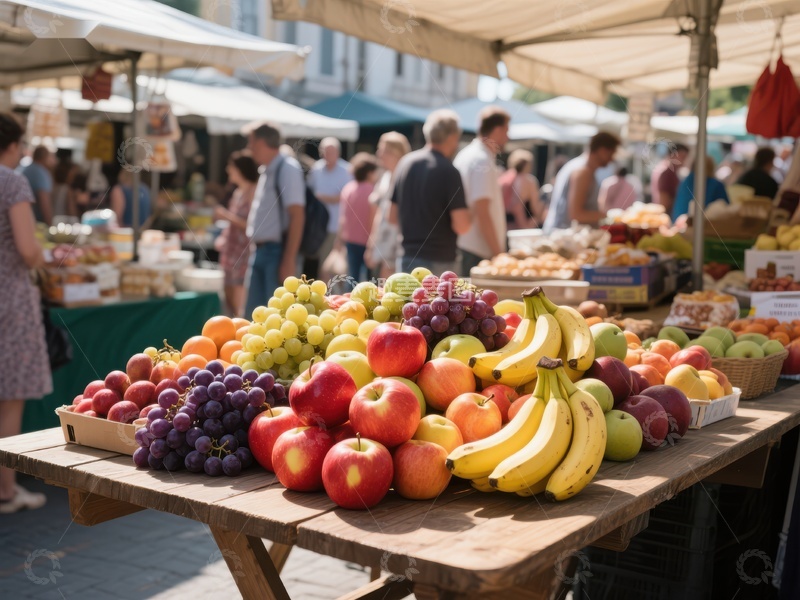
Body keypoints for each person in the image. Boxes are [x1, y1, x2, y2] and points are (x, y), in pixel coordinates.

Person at [0, 113, 51, 513]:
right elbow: (28, 249)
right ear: (14, 146)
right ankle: (5, 489)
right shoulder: (12, 181)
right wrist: (46, 258)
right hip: (9, 298)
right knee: (10, 397)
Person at [389, 109, 471, 274]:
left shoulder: (405, 163)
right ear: (452, 137)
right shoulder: (449, 171)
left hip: (407, 258)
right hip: (440, 262)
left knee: (407, 301)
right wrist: (475, 213)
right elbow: (462, 225)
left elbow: (391, 217)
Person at [245, 123, 305, 317]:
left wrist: (288, 259)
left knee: (275, 317)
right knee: (255, 316)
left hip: (277, 253)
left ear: (262, 143)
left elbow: (297, 214)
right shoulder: (269, 169)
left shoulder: (287, 168)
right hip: (262, 252)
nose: (249, 148)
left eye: (251, 142)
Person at [455, 106, 510, 274]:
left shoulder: (469, 155)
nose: (508, 137)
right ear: (498, 130)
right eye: (506, 131)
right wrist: (498, 255)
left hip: (470, 247)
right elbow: (482, 210)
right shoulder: (481, 160)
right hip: (477, 251)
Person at [542, 132, 621, 233]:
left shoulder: (578, 166)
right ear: (602, 151)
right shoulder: (583, 172)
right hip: (565, 237)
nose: (612, 159)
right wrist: (610, 217)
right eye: (611, 153)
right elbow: (576, 214)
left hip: (563, 234)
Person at [214, 151, 259, 317]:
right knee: (228, 300)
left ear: (240, 169)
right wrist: (223, 237)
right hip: (231, 250)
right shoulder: (238, 193)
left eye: (231, 167)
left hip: (243, 252)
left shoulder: (253, 192)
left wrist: (225, 215)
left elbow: (250, 225)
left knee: (239, 304)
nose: (227, 170)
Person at [365, 132, 412, 280]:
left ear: (394, 153)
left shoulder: (407, 176)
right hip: (384, 242)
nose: (378, 154)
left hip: (401, 244)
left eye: (383, 150)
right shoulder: (385, 177)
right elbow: (379, 212)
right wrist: (371, 243)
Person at [305, 137, 351, 279]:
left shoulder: (347, 170)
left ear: (338, 152)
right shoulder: (316, 169)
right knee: (317, 264)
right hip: (316, 225)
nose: (327, 155)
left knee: (331, 267)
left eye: (331, 152)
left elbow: (346, 197)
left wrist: (323, 197)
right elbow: (311, 194)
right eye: (324, 151)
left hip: (335, 226)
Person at [339, 153, 379, 282]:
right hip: (368, 242)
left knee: (352, 278)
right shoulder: (373, 191)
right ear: (369, 173)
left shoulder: (348, 188)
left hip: (350, 240)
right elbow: (373, 219)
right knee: (370, 281)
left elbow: (343, 218)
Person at [498, 149, 544, 229]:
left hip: (503, 224)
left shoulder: (502, 179)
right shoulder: (529, 181)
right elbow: (535, 208)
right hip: (521, 225)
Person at [673, 156, 729, 220]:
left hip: (678, 223)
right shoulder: (716, 185)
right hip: (700, 226)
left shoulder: (684, 182)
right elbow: (726, 209)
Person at [650, 142, 689, 214]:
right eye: (682, 156)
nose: (684, 160)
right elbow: (664, 202)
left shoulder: (673, 173)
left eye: (685, 157)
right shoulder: (667, 174)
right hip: (667, 214)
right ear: (672, 156)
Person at [21, 145, 55, 225]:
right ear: (45, 157)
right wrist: (50, 224)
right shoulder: (41, 173)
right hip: (36, 222)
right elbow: (44, 201)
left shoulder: (25, 169)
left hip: (22, 218)